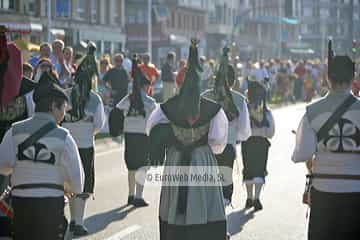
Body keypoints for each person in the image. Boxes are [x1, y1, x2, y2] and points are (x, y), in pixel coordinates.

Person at [146, 40, 228, 240]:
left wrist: (173, 137)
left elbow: (150, 129)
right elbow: (218, 143)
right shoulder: (213, 109)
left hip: (176, 159)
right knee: (203, 205)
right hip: (202, 160)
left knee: (174, 205)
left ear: (178, 83)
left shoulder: (167, 107)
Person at [0, 71, 84, 240]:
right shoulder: (64, 136)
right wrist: (65, 185)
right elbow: (78, 182)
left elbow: (2, 165)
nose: (64, 114)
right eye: (63, 108)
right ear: (54, 106)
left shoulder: (14, 130)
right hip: (51, 206)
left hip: (21, 205)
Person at [292, 42, 360, 240]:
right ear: (353, 77)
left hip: (324, 192)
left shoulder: (312, 112)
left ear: (328, 78)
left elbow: (301, 155)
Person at [201, 47, 251, 238]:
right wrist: (233, 137)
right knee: (222, 192)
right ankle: (220, 231)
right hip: (227, 149)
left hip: (204, 150)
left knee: (206, 189)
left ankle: (204, 229)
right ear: (232, 80)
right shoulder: (238, 99)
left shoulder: (204, 96)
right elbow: (245, 131)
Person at [62, 42, 105, 237]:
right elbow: (99, 125)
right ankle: (78, 222)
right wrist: (87, 132)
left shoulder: (65, 95)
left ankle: (73, 219)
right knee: (84, 185)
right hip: (86, 145)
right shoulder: (95, 99)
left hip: (66, 144)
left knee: (69, 183)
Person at [112, 55, 156, 207]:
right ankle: (138, 196)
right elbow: (154, 123)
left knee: (131, 166)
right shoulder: (150, 102)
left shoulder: (128, 99)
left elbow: (116, 111)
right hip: (144, 136)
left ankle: (130, 195)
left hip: (129, 135)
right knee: (142, 167)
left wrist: (118, 130)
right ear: (146, 86)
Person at [241, 78, 275, 211]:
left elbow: (241, 127)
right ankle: (257, 198)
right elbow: (271, 131)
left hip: (247, 143)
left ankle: (249, 198)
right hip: (261, 143)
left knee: (248, 170)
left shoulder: (245, 110)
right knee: (259, 171)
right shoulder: (266, 111)